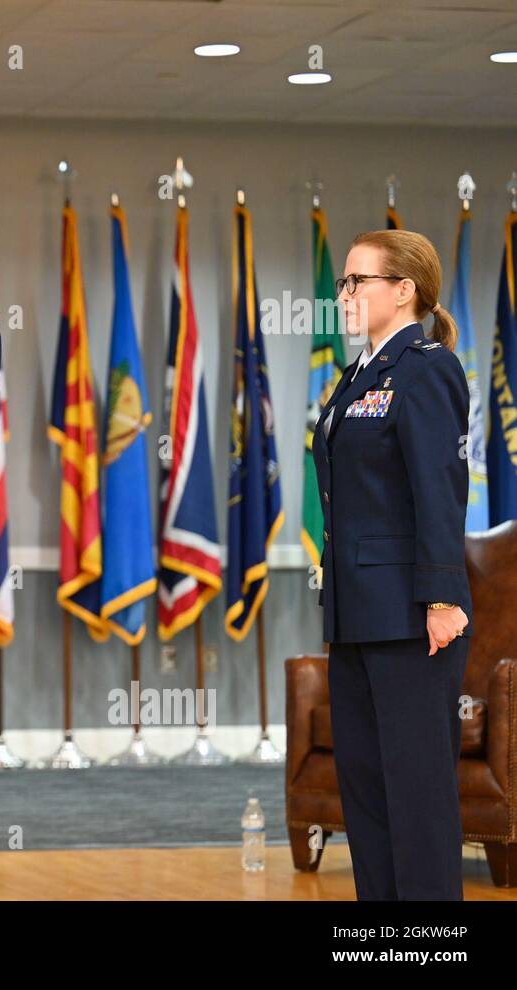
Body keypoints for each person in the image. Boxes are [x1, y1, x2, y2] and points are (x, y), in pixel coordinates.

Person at [312, 228, 473, 900]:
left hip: (410, 616)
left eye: (357, 281)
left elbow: (439, 489)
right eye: (345, 282)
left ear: (403, 290)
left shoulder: (426, 367)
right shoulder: (358, 375)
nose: (344, 294)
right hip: (355, 615)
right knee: (368, 796)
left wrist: (443, 599)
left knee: (418, 799)